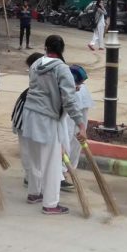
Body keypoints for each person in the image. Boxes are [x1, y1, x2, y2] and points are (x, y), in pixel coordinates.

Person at [21, 35, 86, 215]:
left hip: (30, 114)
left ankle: (34, 193)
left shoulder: (36, 64)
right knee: (52, 162)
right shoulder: (62, 69)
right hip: (47, 118)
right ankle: (50, 204)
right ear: (62, 49)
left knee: (35, 158)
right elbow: (69, 100)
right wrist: (81, 124)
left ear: (46, 47)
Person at [11, 52, 45, 188]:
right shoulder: (38, 78)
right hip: (24, 117)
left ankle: (33, 175)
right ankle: (29, 176)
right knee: (26, 148)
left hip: (30, 114)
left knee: (32, 149)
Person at [62, 65, 94, 190]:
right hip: (69, 112)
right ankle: (61, 173)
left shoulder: (82, 91)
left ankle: (70, 169)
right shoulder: (65, 90)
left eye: (82, 83)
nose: (80, 86)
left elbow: (83, 117)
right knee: (67, 138)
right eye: (78, 84)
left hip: (79, 108)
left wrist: (82, 129)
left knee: (76, 141)